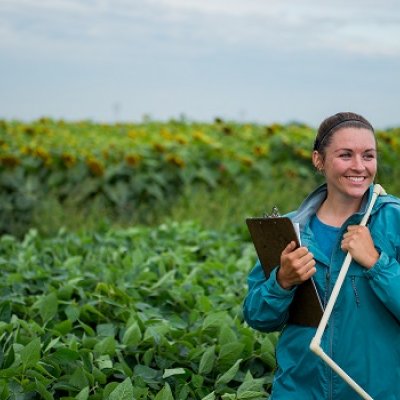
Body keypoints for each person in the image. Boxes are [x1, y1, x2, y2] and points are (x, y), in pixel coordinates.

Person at [243, 112, 400, 399]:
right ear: (319, 160)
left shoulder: (395, 222)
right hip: (298, 391)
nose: (359, 166)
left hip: (372, 392)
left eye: (368, 156)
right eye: (345, 155)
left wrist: (377, 264)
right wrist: (282, 282)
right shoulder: (287, 229)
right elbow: (257, 317)